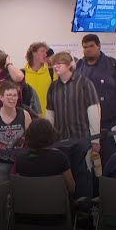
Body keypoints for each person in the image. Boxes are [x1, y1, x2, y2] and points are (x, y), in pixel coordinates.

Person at [12, 118, 75, 230]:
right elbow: (71, 187)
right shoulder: (60, 158)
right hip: (56, 219)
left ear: (29, 136)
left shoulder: (21, 160)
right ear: (50, 135)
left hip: (25, 218)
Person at [45, 51, 101, 198]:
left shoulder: (84, 83)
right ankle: (68, 212)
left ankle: (84, 214)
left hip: (81, 139)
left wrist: (95, 139)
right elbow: (50, 113)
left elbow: (94, 111)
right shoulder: (53, 87)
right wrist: (48, 139)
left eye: (59, 63)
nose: (55, 66)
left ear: (70, 65)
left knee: (83, 176)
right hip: (59, 140)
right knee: (62, 178)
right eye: (54, 63)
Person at [76, 34, 116, 169]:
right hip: (85, 123)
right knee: (88, 162)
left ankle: (109, 187)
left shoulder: (113, 65)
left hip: (109, 121)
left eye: (91, 46)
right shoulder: (79, 66)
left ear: (99, 46)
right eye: (85, 47)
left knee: (109, 160)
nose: (88, 50)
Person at [0, 80, 32, 184]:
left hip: (20, 164)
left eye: (15, 95)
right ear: (1, 97)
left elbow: (31, 140)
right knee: (0, 195)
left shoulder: (25, 115)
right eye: (9, 95)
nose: (12, 98)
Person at [23, 42, 54, 117]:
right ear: (34, 53)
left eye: (46, 52)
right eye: (42, 51)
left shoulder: (52, 72)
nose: (46, 54)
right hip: (28, 118)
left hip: (48, 118)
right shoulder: (22, 73)